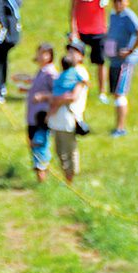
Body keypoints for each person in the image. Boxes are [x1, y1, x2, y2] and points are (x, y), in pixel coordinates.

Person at [46, 41, 90, 184]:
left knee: (68, 150)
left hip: (68, 116)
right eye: (69, 50)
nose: (70, 53)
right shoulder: (66, 72)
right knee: (60, 150)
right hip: (58, 117)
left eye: (75, 51)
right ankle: (66, 178)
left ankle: (70, 180)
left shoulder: (80, 73)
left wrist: (55, 100)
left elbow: (72, 96)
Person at [105, 0, 138, 137]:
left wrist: (130, 50)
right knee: (115, 94)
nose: (117, 4)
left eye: (120, 1)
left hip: (124, 62)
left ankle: (120, 128)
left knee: (120, 94)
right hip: (114, 60)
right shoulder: (113, 15)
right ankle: (117, 125)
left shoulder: (128, 16)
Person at [26, 43, 59, 182]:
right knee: (33, 144)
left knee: (40, 144)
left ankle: (42, 178)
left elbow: (57, 94)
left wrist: (43, 96)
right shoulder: (41, 71)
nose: (40, 56)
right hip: (33, 116)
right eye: (39, 53)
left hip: (42, 116)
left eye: (44, 53)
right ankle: (40, 176)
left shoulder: (51, 73)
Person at [69, 0, 108, 102]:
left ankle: (102, 92)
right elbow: (73, 10)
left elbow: (106, 10)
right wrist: (73, 31)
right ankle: (72, 85)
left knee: (101, 62)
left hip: (98, 31)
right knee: (74, 60)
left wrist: (106, 29)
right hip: (81, 32)